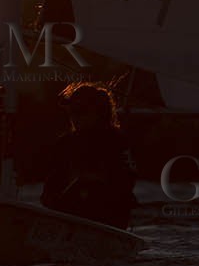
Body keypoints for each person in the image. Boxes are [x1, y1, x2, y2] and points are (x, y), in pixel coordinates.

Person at [40, 83, 137, 229]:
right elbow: (51, 186)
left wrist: (95, 180)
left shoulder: (116, 141)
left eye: (81, 111)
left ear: (98, 112)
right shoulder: (65, 144)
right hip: (69, 217)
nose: (74, 117)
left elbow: (126, 182)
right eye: (71, 111)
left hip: (108, 218)